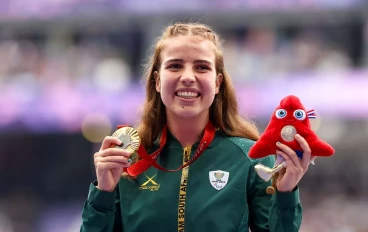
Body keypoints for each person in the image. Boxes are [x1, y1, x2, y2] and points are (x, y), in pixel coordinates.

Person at [80, 22, 312, 232]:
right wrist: (103, 193)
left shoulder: (251, 157)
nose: (188, 76)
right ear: (157, 81)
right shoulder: (128, 159)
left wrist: (286, 193)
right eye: (175, 66)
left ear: (217, 82)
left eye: (201, 67)